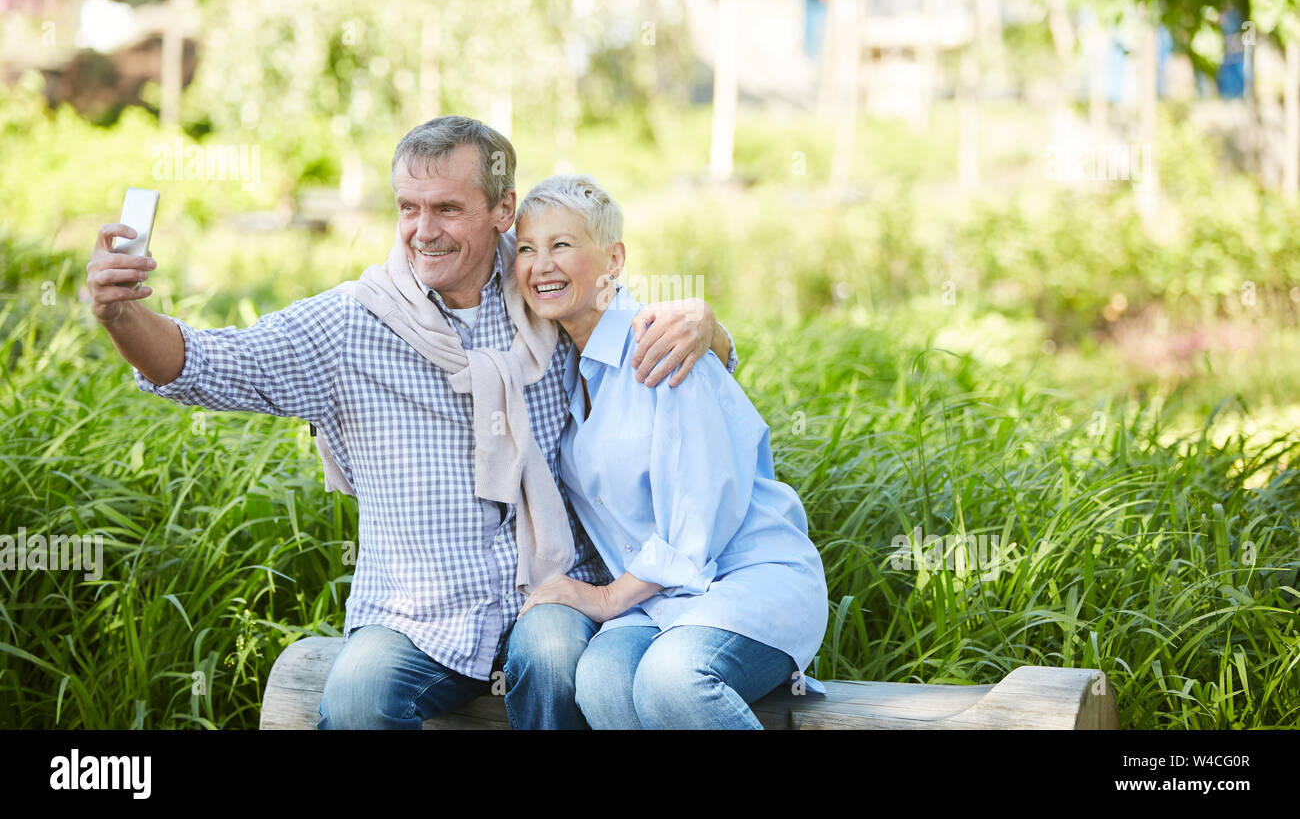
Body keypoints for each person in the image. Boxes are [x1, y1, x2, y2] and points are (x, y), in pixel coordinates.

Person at [84, 116, 737, 729]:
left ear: (502, 211)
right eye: (408, 207)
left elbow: (652, 341)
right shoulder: (350, 325)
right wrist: (121, 316)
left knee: (559, 662)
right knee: (358, 695)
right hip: (416, 613)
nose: (423, 230)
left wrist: (711, 329)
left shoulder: (546, 288)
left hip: (552, 592)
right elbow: (201, 363)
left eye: (448, 208)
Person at [506, 174, 828, 729]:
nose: (540, 265)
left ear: (614, 258)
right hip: (658, 602)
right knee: (601, 681)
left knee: (671, 682)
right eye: (528, 249)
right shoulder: (555, 365)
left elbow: (699, 515)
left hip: (746, 577)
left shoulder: (664, 342)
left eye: (562, 245)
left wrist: (606, 599)